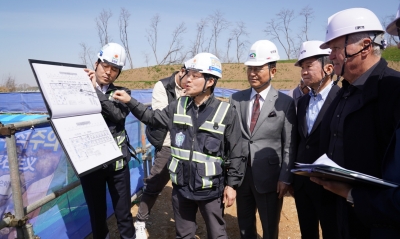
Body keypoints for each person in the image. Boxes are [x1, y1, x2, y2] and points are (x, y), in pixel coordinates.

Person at [113, 53, 245, 239]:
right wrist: (130, 101)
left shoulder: (226, 112)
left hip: (210, 190)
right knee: (184, 235)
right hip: (182, 188)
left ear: (210, 81)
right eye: (187, 74)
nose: (187, 80)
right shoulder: (178, 106)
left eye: (194, 75)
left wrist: (232, 185)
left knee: (217, 235)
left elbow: (237, 152)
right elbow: (152, 118)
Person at [311, 5, 400, 238]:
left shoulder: (392, 91)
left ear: (365, 47)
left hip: (377, 222)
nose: (330, 56)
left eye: (336, 48)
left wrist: (352, 194)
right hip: (338, 213)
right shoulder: (344, 91)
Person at [230, 40, 296, 239]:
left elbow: (289, 144)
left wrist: (285, 177)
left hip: (270, 177)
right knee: (244, 225)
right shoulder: (236, 99)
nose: (252, 73)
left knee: (269, 227)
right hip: (242, 176)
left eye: (258, 68)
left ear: (273, 71)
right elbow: (232, 138)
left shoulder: (285, 103)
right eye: (250, 69)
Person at [83, 43, 135, 239]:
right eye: (105, 66)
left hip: (117, 164)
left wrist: (93, 90)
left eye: (115, 69)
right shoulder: (79, 88)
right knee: (97, 214)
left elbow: (117, 115)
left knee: (123, 213)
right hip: (91, 164)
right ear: (96, 64)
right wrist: (82, 86)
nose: (109, 72)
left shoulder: (122, 92)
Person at [291, 40, 340, 239]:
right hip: (303, 184)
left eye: (309, 66)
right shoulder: (302, 102)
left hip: (331, 185)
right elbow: (300, 140)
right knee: (307, 232)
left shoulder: (341, 98)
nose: (303, 72)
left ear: (328, 68)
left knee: (333, 232)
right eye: (302, 67)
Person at [134, 64, 187, 239]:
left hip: (188, 144)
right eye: (190, 76)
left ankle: (185, 226)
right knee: (155, 182)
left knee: (185, 186)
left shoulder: (194, 85)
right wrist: (184, 101)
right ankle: (140, 221)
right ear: (181, 71)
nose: (192, 81)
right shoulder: (162, 86)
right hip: (168, 143)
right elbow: (161, 116)